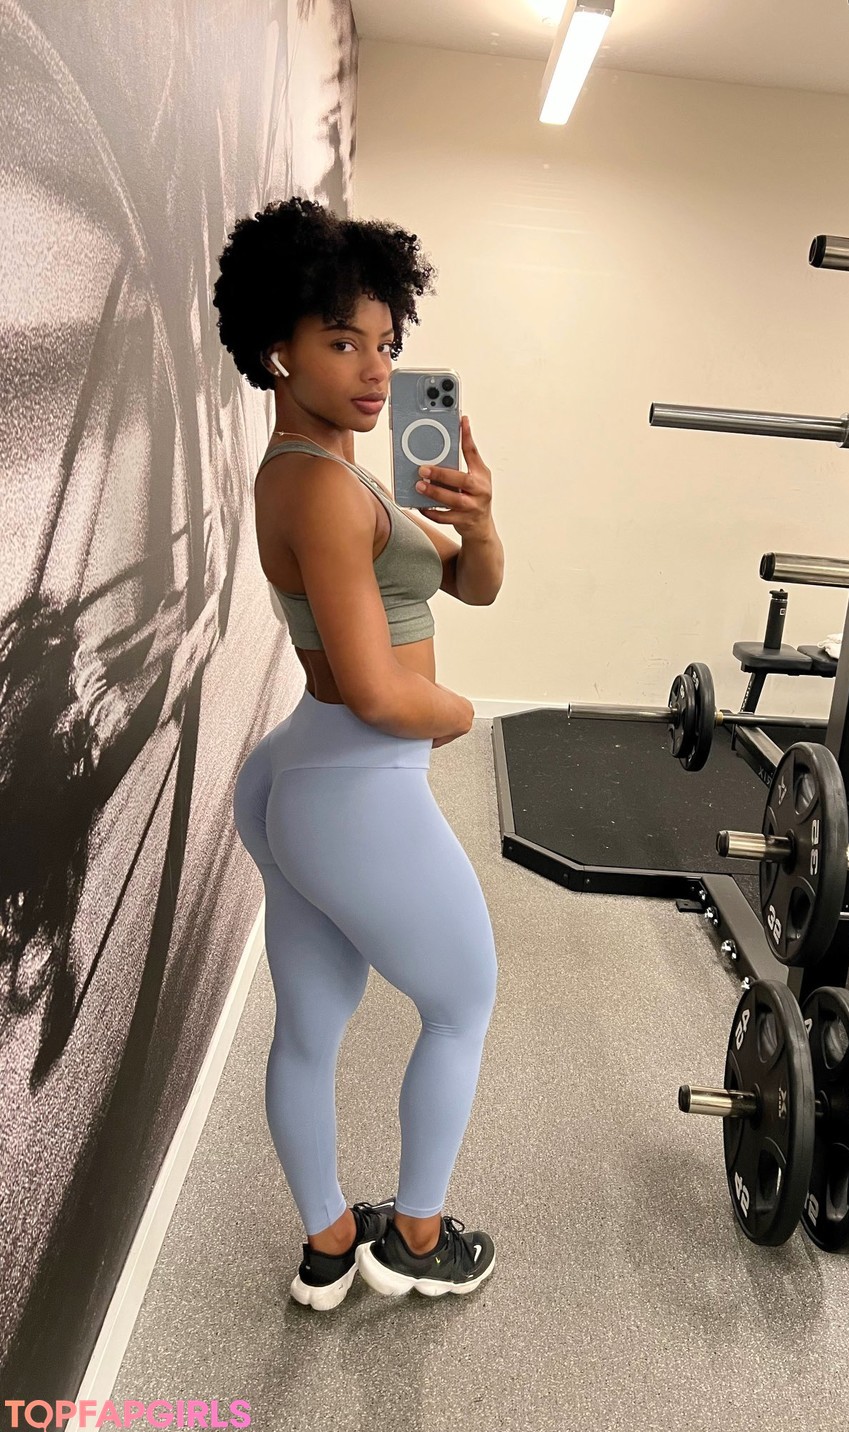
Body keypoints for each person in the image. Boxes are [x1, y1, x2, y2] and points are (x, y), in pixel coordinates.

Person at [213, 196, 504, 1310]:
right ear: (275, 349)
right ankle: (417, 1243)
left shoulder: (335, 469)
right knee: (461, 1004)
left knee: (311, 1024)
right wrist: (465, 713)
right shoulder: (320, 486)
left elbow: (473, 584)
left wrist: (480, 521)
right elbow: (381, 694)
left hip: (304, 775)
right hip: (353, 781)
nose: (377, 370)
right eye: (343, 343)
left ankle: (331, 1244)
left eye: (386, 342)